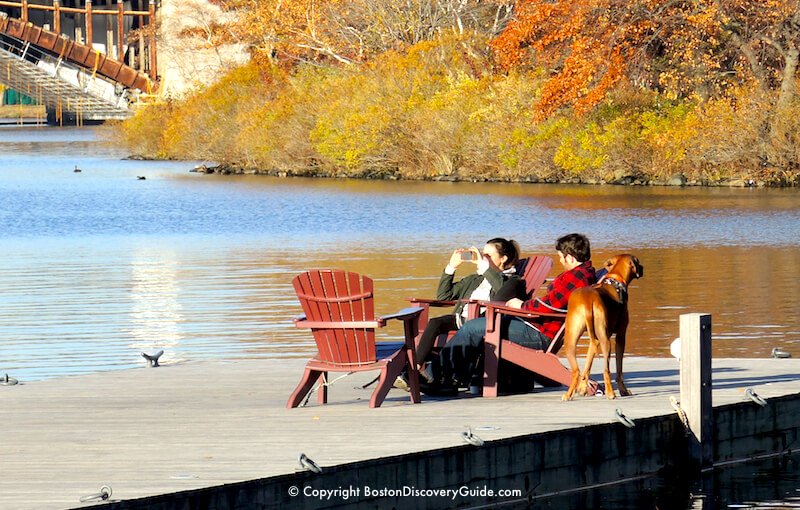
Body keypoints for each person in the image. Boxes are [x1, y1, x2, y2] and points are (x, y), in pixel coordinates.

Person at [421, 233, 597, 395]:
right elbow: (551, 304)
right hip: (534, 324)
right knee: (473, 327)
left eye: (561, 257)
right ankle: (448, 380)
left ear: (571, 257)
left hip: (540, 333)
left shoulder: (576, 277)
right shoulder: (580, 275)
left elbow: (549, 306)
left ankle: (432, 376)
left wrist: (523, 305)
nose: (561, 260)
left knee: (473, 328)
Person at [394, 238, 526, 391]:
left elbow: (501, 293)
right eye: (483, 254)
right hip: (462, 319)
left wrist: (484, 267)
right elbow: (444, 295)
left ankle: (432, 377)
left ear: (504, 258)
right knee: (436, 323)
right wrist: (451, 267)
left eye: (488, 255)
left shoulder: (513, 281)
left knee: (456, 329)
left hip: (484, 323)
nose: (483, 258)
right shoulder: (475, 279)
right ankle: (414, 368)